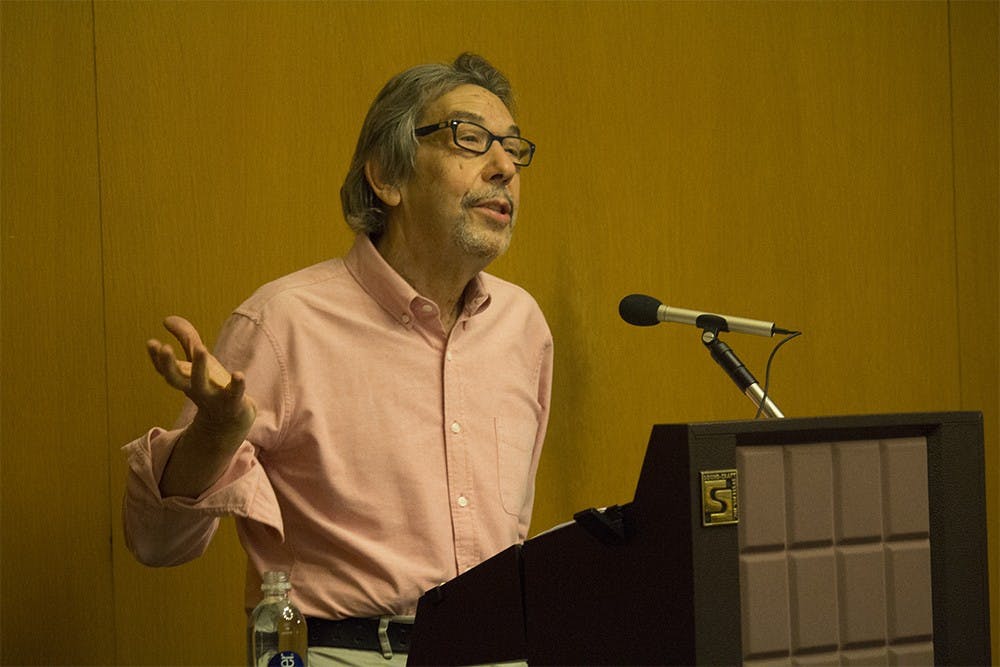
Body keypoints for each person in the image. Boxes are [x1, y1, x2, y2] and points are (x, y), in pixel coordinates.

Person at [122, 53, 552, 666]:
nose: (505, 167)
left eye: (513, 148)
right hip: (341, 654)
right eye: (471, 139)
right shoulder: (282, 324)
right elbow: (156, 542)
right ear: (387, 177)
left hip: (502, 650)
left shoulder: (523, 328)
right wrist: (214, 436)